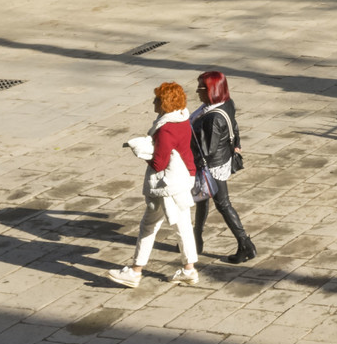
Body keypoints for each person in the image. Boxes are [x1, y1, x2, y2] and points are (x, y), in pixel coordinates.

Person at [108, 80, 199, 288]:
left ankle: (135, 271)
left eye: (157, 99)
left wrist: (140, 151)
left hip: (166, 186)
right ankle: (189, 269)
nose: (153, 103)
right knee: (183, 227)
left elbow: (159, 163)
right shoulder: (183, 117)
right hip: (183, 178)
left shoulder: (166, 129)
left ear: (165, 103)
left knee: (148, 227)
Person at [191, 69, 257, 263]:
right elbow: (234, 126)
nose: (197, 91)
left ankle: (245, 245)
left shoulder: (212, 118)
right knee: (202, 199)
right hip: (221, 160)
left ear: (212, 90)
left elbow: (207, 150)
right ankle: (196, 240)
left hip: (212, 167)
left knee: (223, 204)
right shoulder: (227, 103)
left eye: (201, 88)